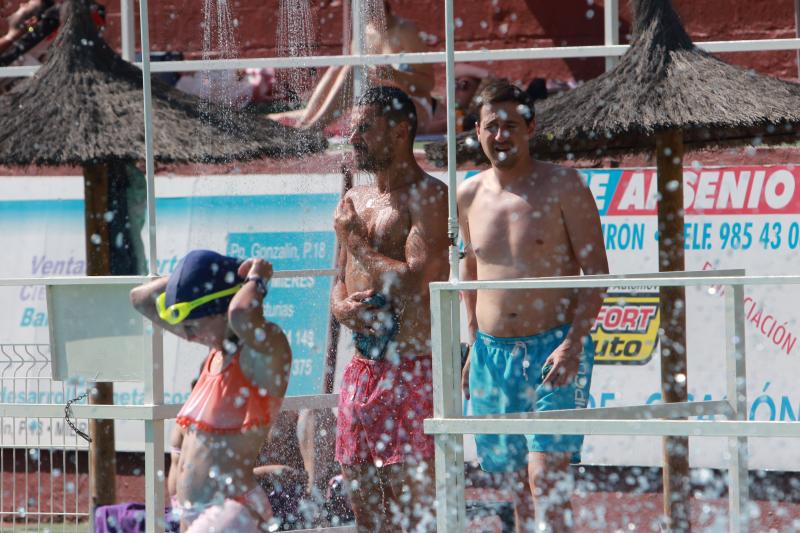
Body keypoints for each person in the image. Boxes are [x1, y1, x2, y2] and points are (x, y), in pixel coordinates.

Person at [457, 80, 608, 532]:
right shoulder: (467, 194)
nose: (500, 136)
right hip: (491, 354)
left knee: (548, 484)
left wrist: (574, 345)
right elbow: (469, 272)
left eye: (510, 125)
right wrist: (473, 345)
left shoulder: (564, 186)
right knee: (516, 490)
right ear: (477, 132)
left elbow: (597, 273)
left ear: (531, 127)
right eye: (491, 126)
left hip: (551, 351)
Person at [331, 86, 449, 532]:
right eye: (352, 127)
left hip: (410, 368)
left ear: (400, 132)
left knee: (413, 510)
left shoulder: (428, 197)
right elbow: (339, 276)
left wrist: (357, 240)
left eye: (365, 127)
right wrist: (342, 309)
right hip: (361, 371)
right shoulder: (354, 200)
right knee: (364, 507)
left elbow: (418, 281)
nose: (353, 137)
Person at [130, 250, 292, 532]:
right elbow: (141, 299)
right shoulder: (216, 354)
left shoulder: (264, 352)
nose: (189, 336)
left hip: (232, 507)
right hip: (194, 512)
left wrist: (256, 279)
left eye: (193, 325)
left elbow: (241, 314)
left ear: (221, 309)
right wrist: (192, 277)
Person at [269, 1, 434, 133]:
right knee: (340, 67)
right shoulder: (364, 34)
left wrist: (392, 75)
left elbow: (428, 84)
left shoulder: (405, 31)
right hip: (374, 105)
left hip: (413, 107)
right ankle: (305, 121)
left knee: (356, 71)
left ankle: (310, 128)